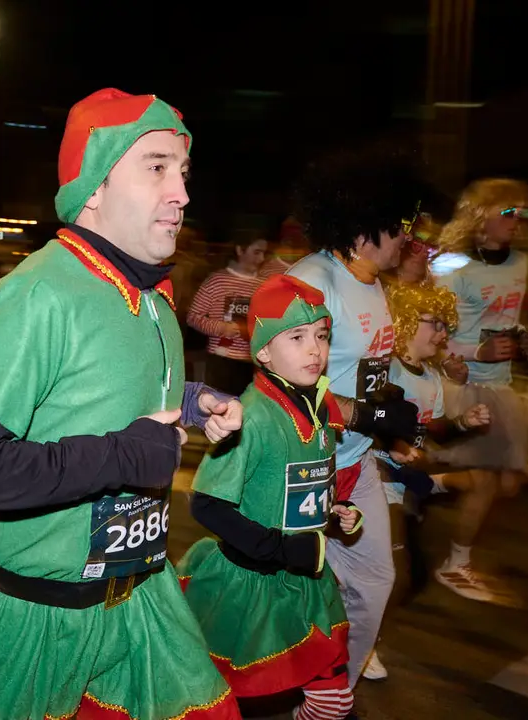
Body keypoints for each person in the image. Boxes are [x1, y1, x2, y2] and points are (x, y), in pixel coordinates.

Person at [0, 88, 245, 720]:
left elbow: (104, 393)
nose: (181, 193)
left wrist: (196, 403)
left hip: (141, 594)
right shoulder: (37, 295)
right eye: (157, 167)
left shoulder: (152, 293)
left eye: (183, 172)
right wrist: (124, 456)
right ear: (93, 187)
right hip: (40, 619)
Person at [179, 274, 363, 720]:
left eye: (321, 336)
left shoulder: (315, 408)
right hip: (248, 589)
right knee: (216, 701)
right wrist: (279, 548)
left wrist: (335, 511)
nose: (314, 349)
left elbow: (298, 486)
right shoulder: (253, 416)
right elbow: (207, 503)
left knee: (333, 701)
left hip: (304, 583)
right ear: (263, 352)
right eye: (297, 337)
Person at [286, 157, 427, 686]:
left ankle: (334, 689)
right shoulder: (311, 282)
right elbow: (282, 389)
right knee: (286, 591)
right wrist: (371, 414)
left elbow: (362, 371)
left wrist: (389, 420)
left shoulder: (371, 282)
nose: (409, 238)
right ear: (365, 225)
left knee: (373, 582)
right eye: (402, 225)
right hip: (304, 466)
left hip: (356, 460)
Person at [363, 282, 492, 677]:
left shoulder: (432, 377)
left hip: (404, 482)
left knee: (412, 577)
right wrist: (396, 445)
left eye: (444, 325)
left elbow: (428, 428)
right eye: (433, 323)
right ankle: (361, 649)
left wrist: (461, 422)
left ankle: (355, 637)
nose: (442, 333)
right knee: (396, 576)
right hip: (374, 476)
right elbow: (371, 420)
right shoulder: (385, 368)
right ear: (405, 323)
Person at [430, 178, 528, 601]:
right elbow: (432, 339)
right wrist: (477, 351)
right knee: (486, 483)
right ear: (480, 218)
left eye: (523, 213)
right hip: (462, 385)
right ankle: (455, 564)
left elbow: (510, 320)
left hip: (502, 386)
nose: (518, 221)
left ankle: (427, 483)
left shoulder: (522, 265)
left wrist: (526, 341)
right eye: (508, 212)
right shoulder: (453, 268)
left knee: (505, 482)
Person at [187, 229, 269, 395]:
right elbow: (193, 317)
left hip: (253, 361)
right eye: (256, 252)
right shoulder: (217, 281)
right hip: (221, 361)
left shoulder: (264, 285)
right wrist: (221, 328)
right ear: (240, 250)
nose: (261, 259)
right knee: (220, 405)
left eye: (263, 253)